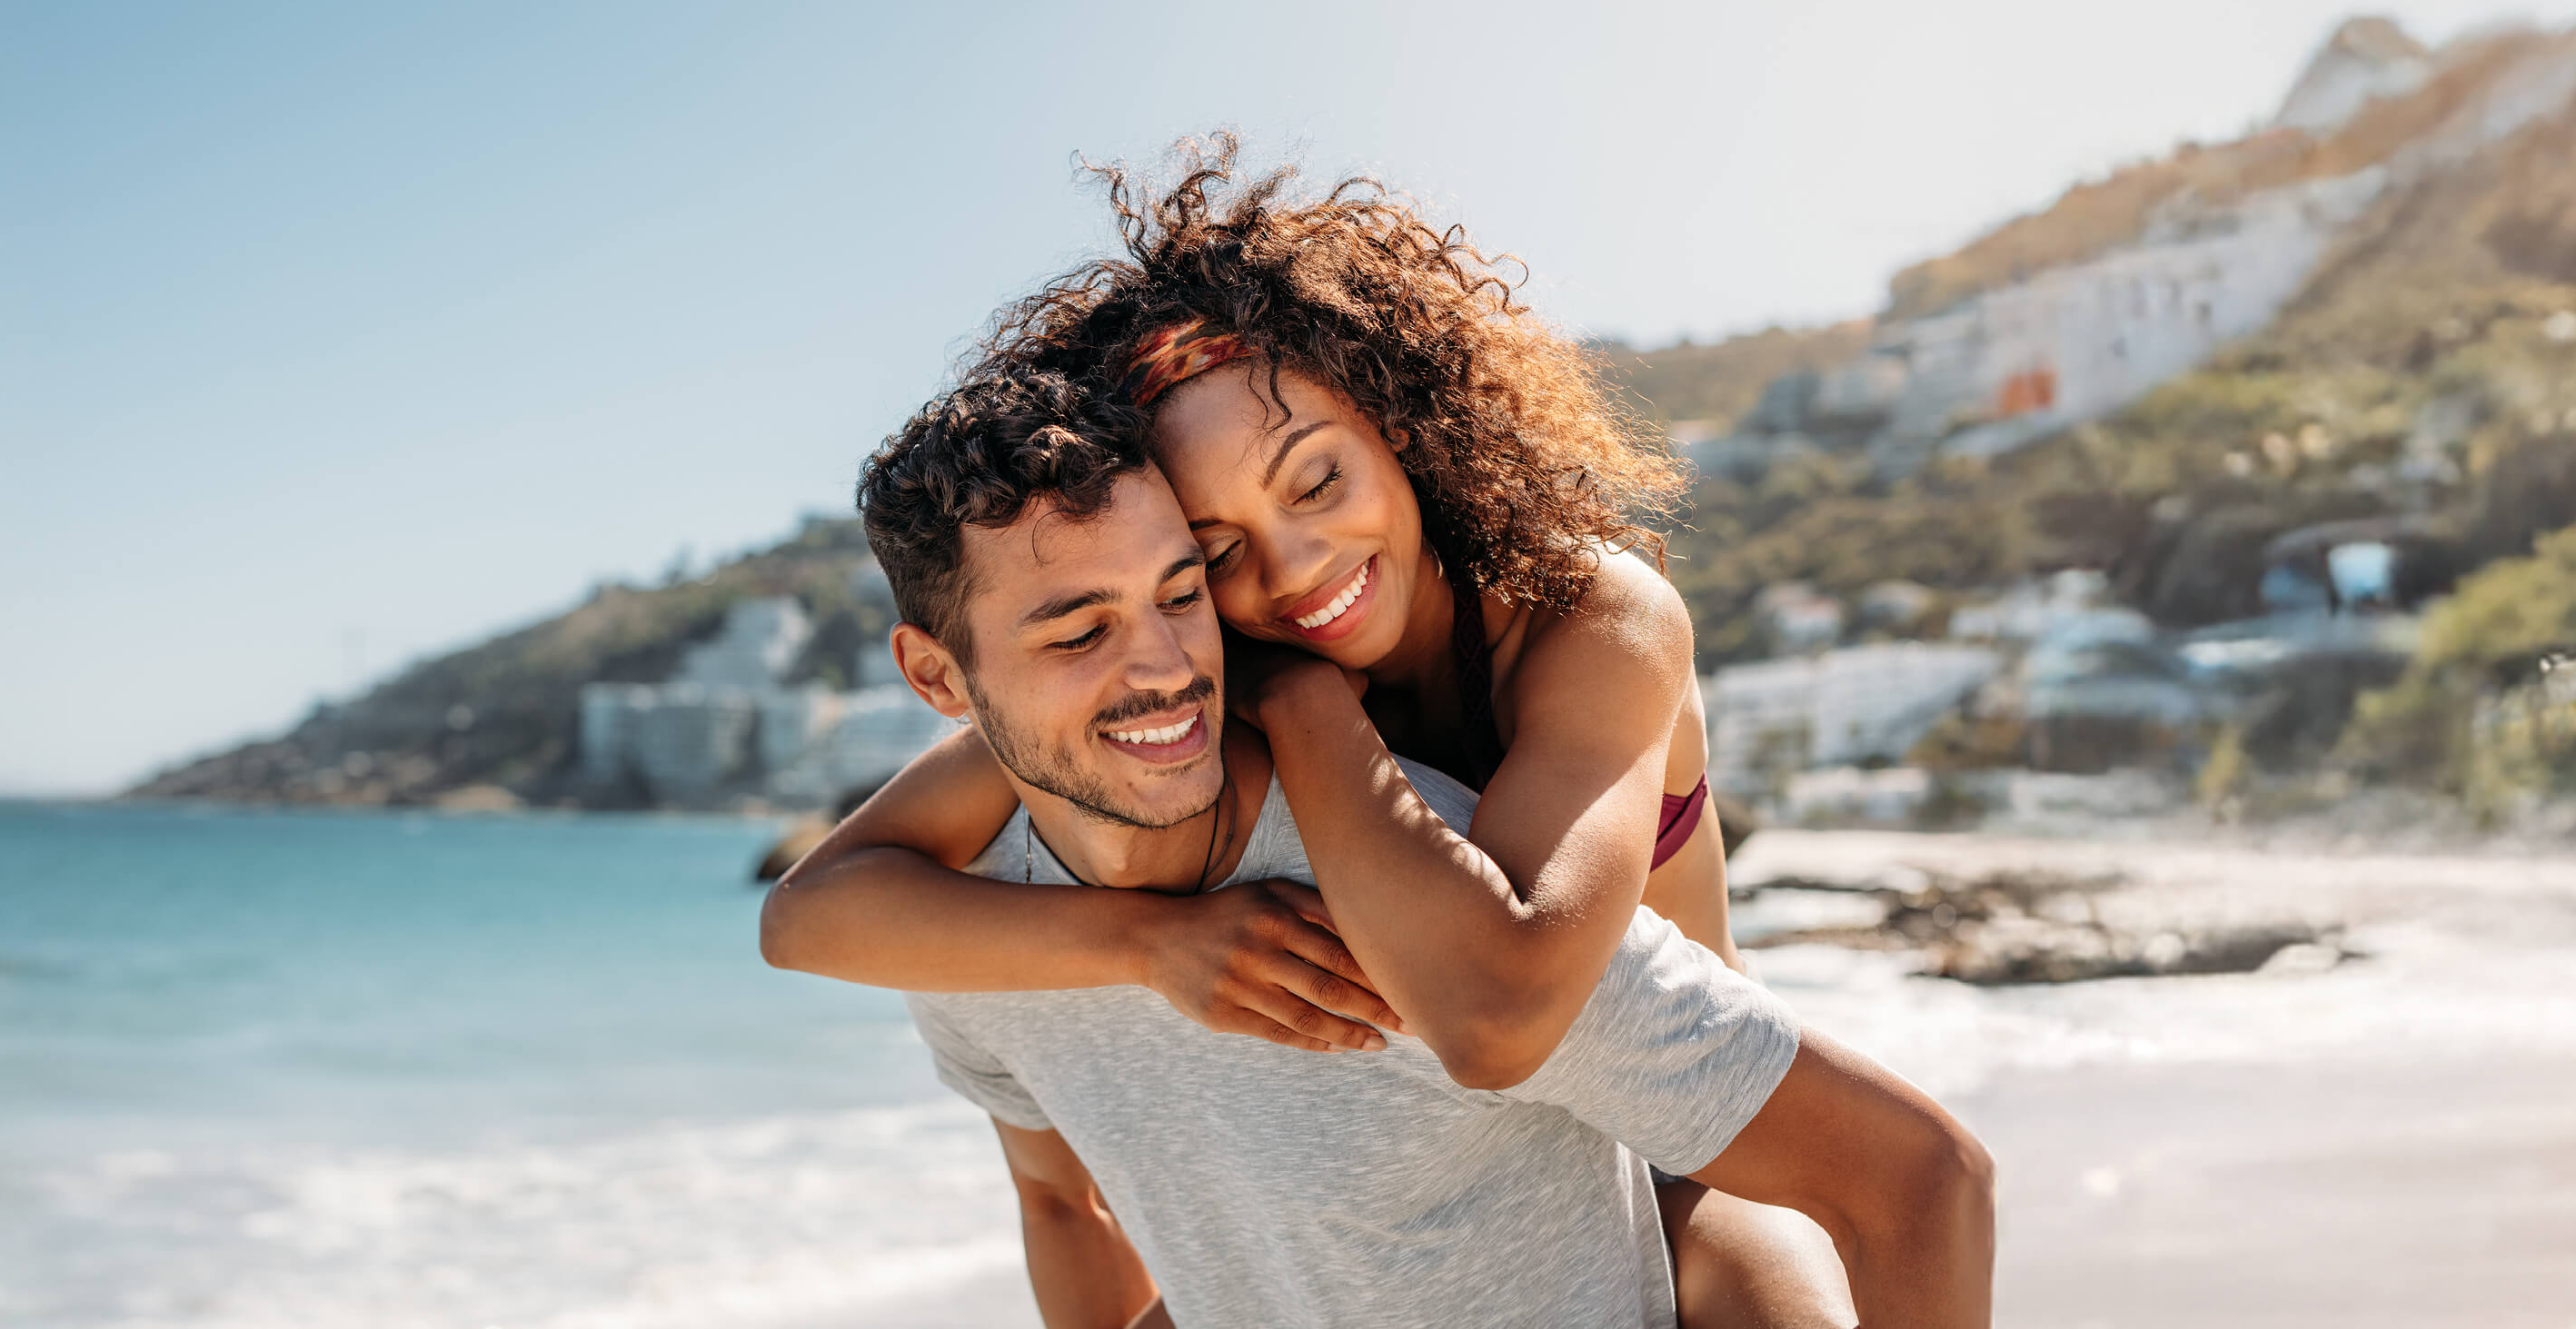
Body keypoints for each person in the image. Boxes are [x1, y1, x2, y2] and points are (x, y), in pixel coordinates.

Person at [765, 143, 1994, 1324]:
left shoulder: (1581, 617)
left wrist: (1302, 703)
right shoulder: (1164, 673)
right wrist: (1153, 941)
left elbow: (1499, 1012)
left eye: (1316, 482)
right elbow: (812, 913)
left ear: (1395, 423)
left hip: (1676, 1150)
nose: (1298, 571)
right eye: (1218, 551)